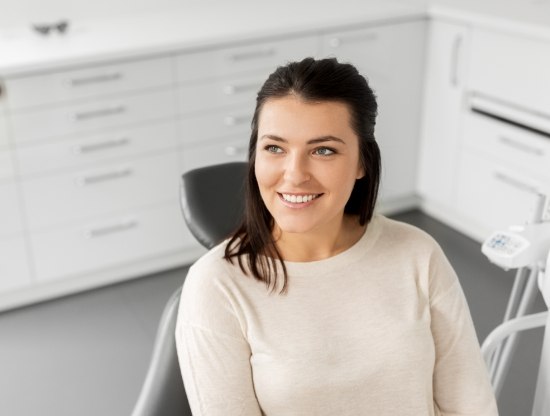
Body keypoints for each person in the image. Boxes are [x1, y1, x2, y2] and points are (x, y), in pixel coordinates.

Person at [175, 57, 498, 416]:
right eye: (275, 148)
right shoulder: (216, 285)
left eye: (323, 150)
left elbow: (471, 405)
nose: (294, 175)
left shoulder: (417, 254)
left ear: (362, 162)